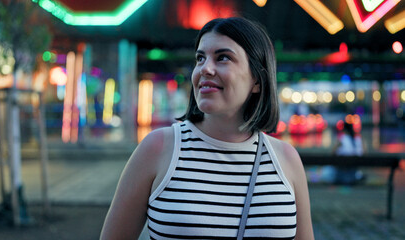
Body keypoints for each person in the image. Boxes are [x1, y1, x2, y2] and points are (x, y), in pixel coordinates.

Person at [100, 17, 314, 240]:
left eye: (223, 58)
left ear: (257, 80)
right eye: (200, 58)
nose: (205, 69)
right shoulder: (158, 148)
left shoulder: (286, 159)